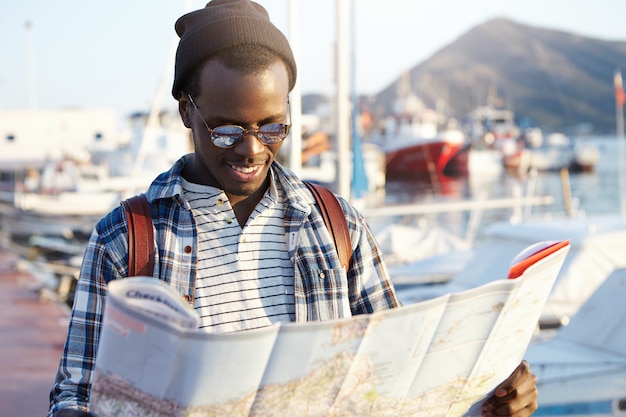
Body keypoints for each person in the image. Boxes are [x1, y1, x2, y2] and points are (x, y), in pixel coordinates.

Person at [48, 1, 538, 416]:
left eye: (273, 126)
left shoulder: (337, 224)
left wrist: (484, 402)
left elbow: (399, 382)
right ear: (185, 109)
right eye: (225, 129)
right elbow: (74, 393)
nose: (251, 149)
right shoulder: (126, 238)